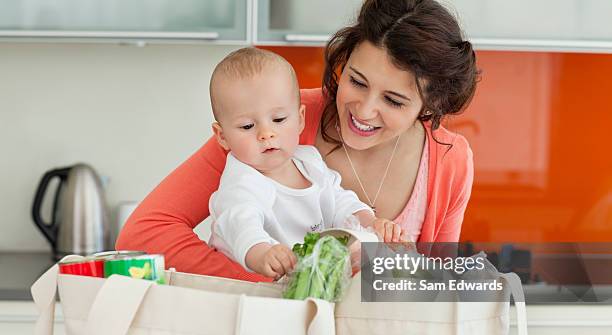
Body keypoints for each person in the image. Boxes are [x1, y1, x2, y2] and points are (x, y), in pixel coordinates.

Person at [116, 0, 480, 283]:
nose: (364, 110)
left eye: (394, 101)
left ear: (430, 105)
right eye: (356, 81)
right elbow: (146, 233)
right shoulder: (277, 121)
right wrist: (272, 288)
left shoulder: (449, 161)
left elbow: (432, 287)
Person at [207, 47, 402, 280]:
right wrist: (262, 253)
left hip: (308, 282)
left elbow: (340, 200)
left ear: (300, 119)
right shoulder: (242, 183)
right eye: (248, 126)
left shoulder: (309, 161)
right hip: (252, 292)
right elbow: (240, 225)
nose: (266, 133)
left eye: (279, 120)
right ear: (222, 136)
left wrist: (370, 222)